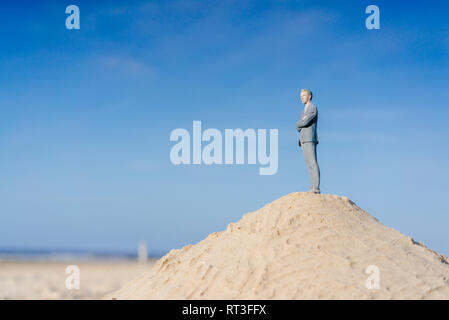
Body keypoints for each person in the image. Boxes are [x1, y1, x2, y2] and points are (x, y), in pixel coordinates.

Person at [296, 89, 320, 194]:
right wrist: (300, 123)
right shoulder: (303, 111)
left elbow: (304, 122)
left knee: (312, 162)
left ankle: (316, 187)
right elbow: (300, 124)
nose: (302, 97)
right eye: (301, 96)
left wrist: (300, 123)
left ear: (309, 96)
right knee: (308, 164)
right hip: (303, 140)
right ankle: (312, 186)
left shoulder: (312, 108)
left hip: (310, 138)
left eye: (304, 95)